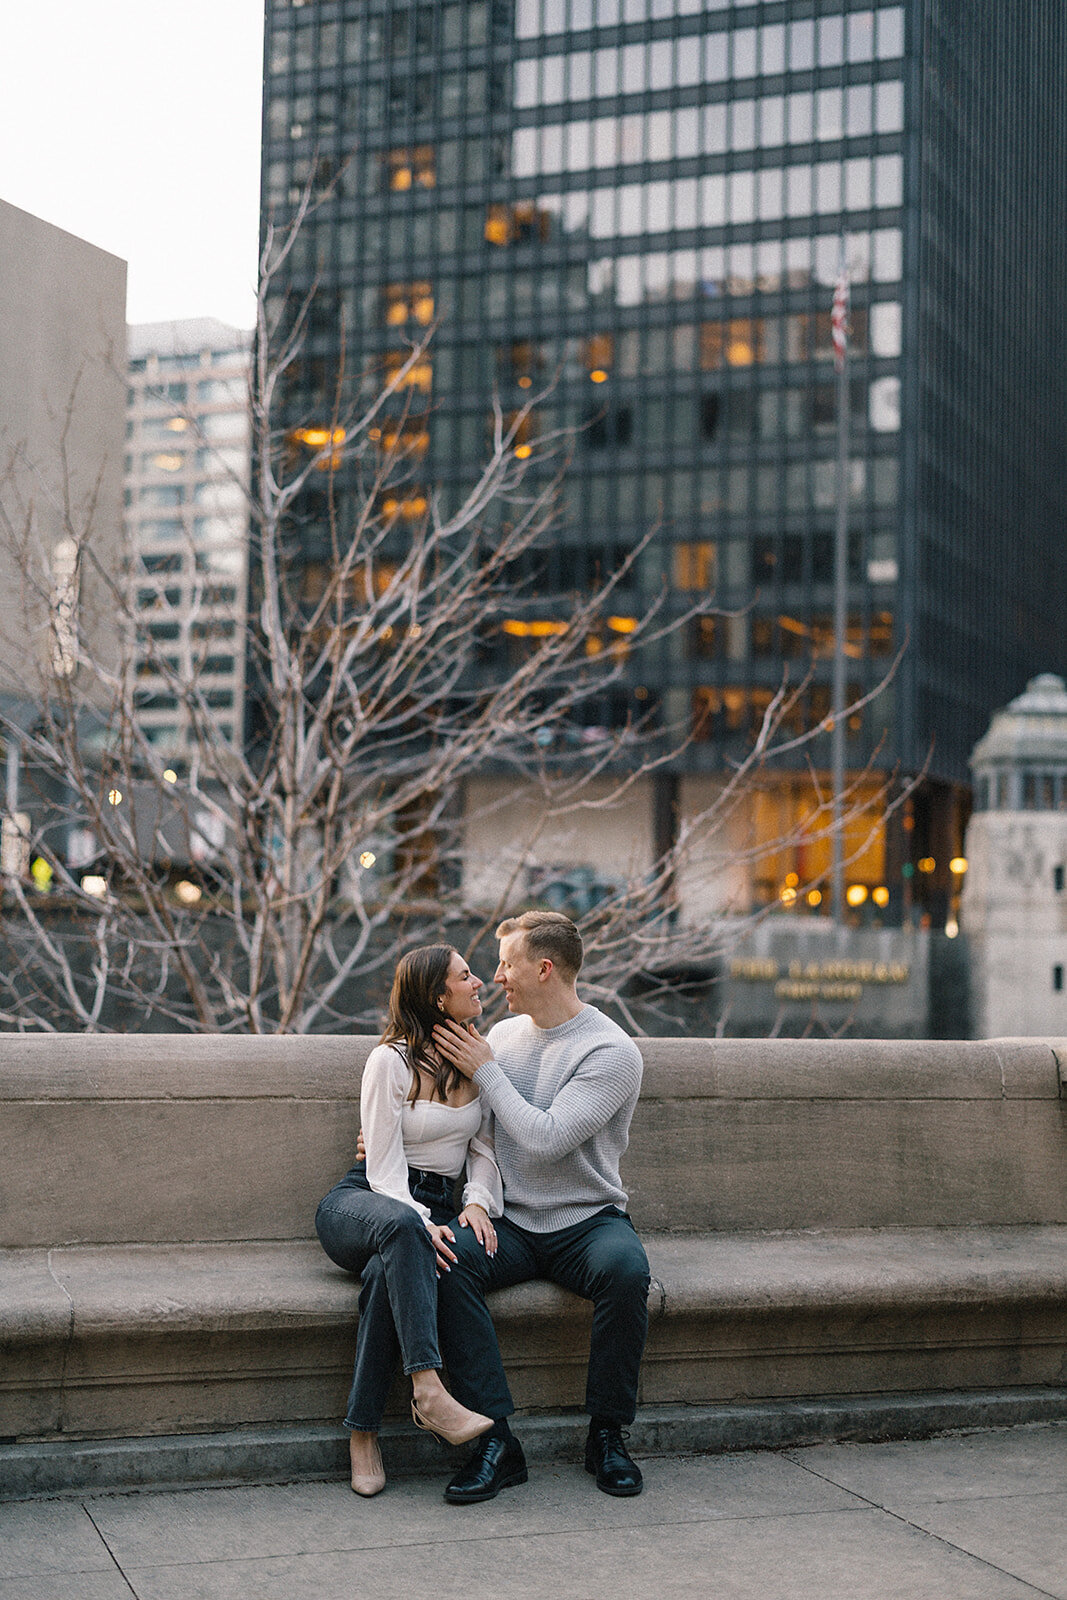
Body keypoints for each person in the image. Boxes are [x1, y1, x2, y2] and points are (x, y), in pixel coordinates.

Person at [430, 909, 650, 1505]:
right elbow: (478, 1134)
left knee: (628, 1273)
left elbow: (546, 1137)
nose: (495, 976)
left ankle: (607, 1435)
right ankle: (495, 1442)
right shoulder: (500, 1037)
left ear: (544, 968)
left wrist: (487, 1072)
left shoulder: (611, 1051)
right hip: (511, 1222)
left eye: (506, 963)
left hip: (587, 1221)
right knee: (445, 1261)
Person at [315, 944, 501, 1496]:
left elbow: (486, 1150)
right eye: (466, 977)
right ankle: (428, 1387)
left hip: (440, 1206)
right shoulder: (389, 1061)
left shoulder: (480, 1058)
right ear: (437, 995)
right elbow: (383, 1167)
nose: (479, 984)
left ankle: (363, 1433)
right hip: (367, 1202)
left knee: (383, 1278)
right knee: (402, 1230)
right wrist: (420, 1219)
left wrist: (475, 1203)